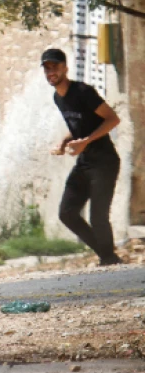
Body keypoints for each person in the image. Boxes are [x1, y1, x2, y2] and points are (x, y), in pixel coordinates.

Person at [42, 48, 122, 266]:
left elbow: (113, 119)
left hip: (104, 161)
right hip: (85, 162)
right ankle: (108, 255)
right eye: (47, 68)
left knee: (98, 217)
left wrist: (86, 141)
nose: (51, 72)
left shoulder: (83, 92)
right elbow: (79, 126)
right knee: (67, 213)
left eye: (55, 67)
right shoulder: (58, 98)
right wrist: (64, 142)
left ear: (65, 68)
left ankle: (109, 259)